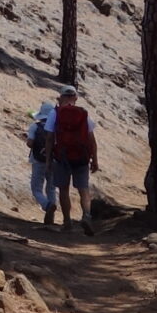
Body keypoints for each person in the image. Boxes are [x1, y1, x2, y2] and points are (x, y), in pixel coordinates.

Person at [47, 86, 97, 234]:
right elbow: (91, 139)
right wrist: (95, 159)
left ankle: (67, 221)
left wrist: (48, 160)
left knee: (63, 189)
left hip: (61, 156)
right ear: (75, 97)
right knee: (84, 189)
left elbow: (50, 138)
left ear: (60, 97)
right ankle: (87, 216)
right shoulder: (83, 113)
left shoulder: (54, 113)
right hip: (81, 156)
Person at [25, 91, 66, 223]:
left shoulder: (35, 126)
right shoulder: (57, 127)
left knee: (36, 188)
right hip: (54, 160)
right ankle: (51, 215)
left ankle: (47, 205)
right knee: (51, 188)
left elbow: (30, 143)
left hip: (38, 160)